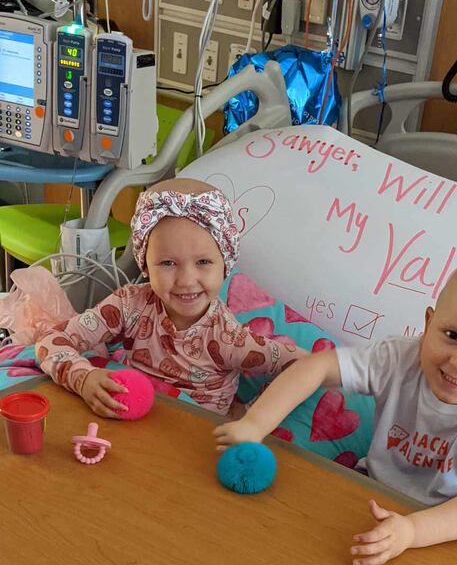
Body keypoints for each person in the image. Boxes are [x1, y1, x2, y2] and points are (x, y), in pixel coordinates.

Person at [215, 258, 457, 563]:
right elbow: (318, 367)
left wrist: (413, 531)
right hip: (378, 489)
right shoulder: (399, 358)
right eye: (452, 335)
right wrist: (254, 425)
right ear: (428, 324)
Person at [35, 178, 301, 418]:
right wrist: (84, 378)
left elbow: (303, 367)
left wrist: (250, 416)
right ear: (145, 264)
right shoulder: (128, 305)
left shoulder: (230, 339)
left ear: (225, 264)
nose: (186, 280)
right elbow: (51, 341)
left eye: (203, 262)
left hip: (192, 445)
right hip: (127, 421)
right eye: (168, 262)